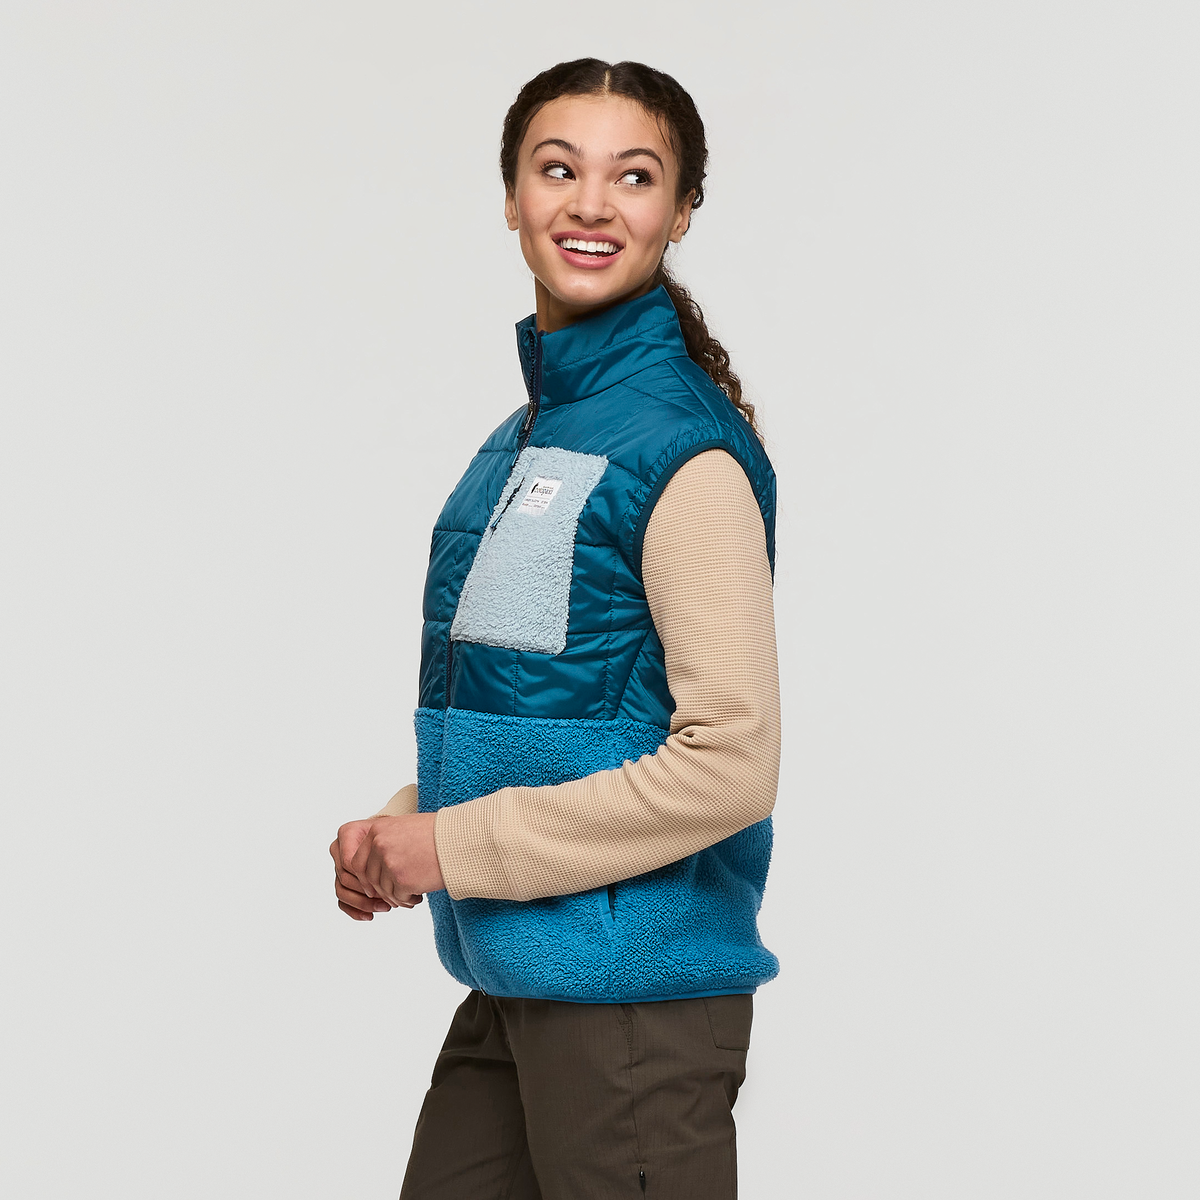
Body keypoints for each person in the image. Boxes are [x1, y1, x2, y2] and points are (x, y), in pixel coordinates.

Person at [330, 58, 781, 1200]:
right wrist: (404, 825)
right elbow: (547, 714)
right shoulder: (521, 444)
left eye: (635, 176)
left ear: (681, 211)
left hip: (633, 1004)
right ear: (511, 197)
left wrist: (450, 849)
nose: (591, 203)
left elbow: (731, 765)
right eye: (557, 168)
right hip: (519, 976)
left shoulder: (683, 454)